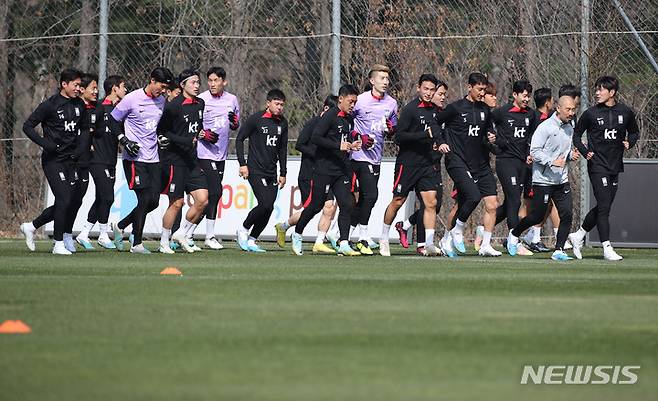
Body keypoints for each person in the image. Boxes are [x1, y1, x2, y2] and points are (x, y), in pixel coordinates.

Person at [569, 75, 639, 261]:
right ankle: (606, 247)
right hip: (597, 165)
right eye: (596, 89)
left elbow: (634, 132)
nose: (597, 92)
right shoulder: (591, 113)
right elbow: (576, 136)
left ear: (612, 93)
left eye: (601, 89)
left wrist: (629, 143)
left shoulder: (625, 112)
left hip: (615, 165)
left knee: (603, 206)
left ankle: (578, 235)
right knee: (605, 207)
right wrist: (585, 152)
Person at [108, 66, 174, 253]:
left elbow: (158, 127)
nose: (163, 90)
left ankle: (121, 225)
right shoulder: (132, 99)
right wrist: (124, 140)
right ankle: (136, 243)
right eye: (161, 86)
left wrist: (162, 137)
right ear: (152, 80)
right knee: (144, 198)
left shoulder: (161, 101)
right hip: (134, 159)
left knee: (153, 201)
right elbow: (112, 121)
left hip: (153, 159)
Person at [507, 93, 581, 261]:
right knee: (537, 216)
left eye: (573, 109)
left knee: (567, 214)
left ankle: (559, 250)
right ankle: (515, 233)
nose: (571, 113)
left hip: (561, 180)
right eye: (568, 109)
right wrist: (551, 162)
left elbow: (563, 152)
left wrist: (571, 155)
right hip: (543, 180)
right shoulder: (545, 127)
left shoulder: (570, 127)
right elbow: (534, 151)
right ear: (558, 108)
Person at [20, 68, 86, 255]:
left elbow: (84, 130)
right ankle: (58, 244)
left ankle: (31, 226)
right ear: (64, 84)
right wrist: (46, 144)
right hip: (53, 160)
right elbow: (27, 126)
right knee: (64, 199)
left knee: (69, 202)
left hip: (71, 160)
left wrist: (79, 150)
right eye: (75, 85)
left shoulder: (79, 105)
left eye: (80, 85)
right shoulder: (50, 105)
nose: (78, 88)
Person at [291, 84, 362, 256]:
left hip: (341, 169)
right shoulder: (330, 116)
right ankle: (297, 233)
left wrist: (352, 145)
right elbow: (316, 138)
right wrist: (338, 145)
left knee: (346, 204)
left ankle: (344, 242)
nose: (353, 105)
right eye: (351, 101)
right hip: (323, 169)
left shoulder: (349, 119)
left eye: (355, 102)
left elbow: (344, 140)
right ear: (341, 99)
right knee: (315, 206)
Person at [436, 72, 501, 257]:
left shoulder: (485, 111)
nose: (482, 93)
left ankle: (486, 245)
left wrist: (491, 137)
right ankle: (455, 231)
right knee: (472, 197)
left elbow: (488, 131)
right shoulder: (455, 108)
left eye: (484, 89)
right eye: (479, 89)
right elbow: (435, 122)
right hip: (458, 161)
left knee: (492, 204)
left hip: (481, 164)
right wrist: (440, 141)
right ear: (469, 87)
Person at [379, 74, 442, 257]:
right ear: (418, 88)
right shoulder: (410, 110)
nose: (429, 93)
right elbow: (399, 137)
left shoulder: (436, 111)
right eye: (426, 89)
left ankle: (429, 244)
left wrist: (439, 143)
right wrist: (424, 134)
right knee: (398, 200)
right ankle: (384, 238)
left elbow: (436, 133)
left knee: (431, 203)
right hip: (408, 164)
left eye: (432, 90)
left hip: (427, 164)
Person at [274, 95, 339, 254]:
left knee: (329, 207)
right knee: (311, 209)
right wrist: (318, 155)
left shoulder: (335, 126)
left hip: (325, 173)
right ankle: (284, 227)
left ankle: (319, 242)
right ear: (325, 109)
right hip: (309, 174)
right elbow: (299, 144)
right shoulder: (314, 124)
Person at [157, 69, 210, 254]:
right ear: (183, 85)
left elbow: (197, 128)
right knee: (177, 203)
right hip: (174, 160)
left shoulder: (200, 103)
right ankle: (164, 242)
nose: (197, 85)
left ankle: (181, 233)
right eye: (193, 82)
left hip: (191, 160)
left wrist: (202, 134)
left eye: (198, 82)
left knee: (203, 200)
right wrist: (185, 140)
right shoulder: (174, 106)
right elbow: (162, 131)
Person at [348, 64, 398, 255]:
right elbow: (346, 122)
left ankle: (342, 234)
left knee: (365, 200)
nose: (385, 82)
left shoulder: (391, 103)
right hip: (359, 156)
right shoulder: (360, 101)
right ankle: (363, 237)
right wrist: (358, 137)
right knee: (371, 195)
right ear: (372, 81)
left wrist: (391, 129)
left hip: (376, 157)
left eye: (387, 79)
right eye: (381, 78)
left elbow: (393, 126)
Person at [395, 79, 448, 255]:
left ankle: (408, 226)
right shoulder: (415, 111)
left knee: (433, 205)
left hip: (432, 163)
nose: (441, 97)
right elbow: (401, 136)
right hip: (415, 163)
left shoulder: (442, 114)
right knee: (428, 204)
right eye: (439, 93)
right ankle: (422, 244)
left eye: (442, 94)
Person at [75, 75, 127, 249]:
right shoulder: (98, 108)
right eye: (123, 86)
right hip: (96, 160)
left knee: (103, 199)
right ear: (114, 89)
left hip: (111, 160)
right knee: (108, 196)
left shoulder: (119, 111)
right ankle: (103, 235)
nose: (125, 90)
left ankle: (83, 234)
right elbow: (86, 129)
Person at [236, 89, 288, 252]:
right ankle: (243, 229)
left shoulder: (283, 123)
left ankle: (252, 240)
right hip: (255, 169)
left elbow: (282, 150)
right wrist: (242, 164)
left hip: (272, 172)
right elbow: (239, 139)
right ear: (268, 103)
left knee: (269, 207)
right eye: (276, 104)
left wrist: (283, 173)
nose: (279, 107)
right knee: (265, 204)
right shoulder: (256, 119)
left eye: (282, 105)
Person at [491, 80, 539, 256]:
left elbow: (534, 136)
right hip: (505, 161)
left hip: (522, 164)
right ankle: (514, 241)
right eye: (524, 95)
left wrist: (529, 152)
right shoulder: (502, 112)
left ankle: (484, 228)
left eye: (528, 96)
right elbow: (486, 126)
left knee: (509, 203)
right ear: (515, 95)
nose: (526, 99)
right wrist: (495, 144)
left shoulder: (531, 115)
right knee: (515, 200)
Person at [197, 66, 240, 250]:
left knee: (211, 197)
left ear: (224, 82)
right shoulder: (202, 100)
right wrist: (202, 135)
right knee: (215, 191)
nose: (213, 84)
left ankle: (193, 233)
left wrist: (235, 122)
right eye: (210, 80)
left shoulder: (232, 100)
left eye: (216, 80)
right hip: (203, 152)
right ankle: (207, 235)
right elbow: (193, 125)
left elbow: (235, 124)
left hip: (221, 154)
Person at [519, 87, 554, 252]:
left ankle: (531, 236)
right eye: (552, 100)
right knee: (530, 206)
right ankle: (520, 236)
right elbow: (528, 140)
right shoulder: (536, 119)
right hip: (533, 168)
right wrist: (529, 156)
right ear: (548, 102)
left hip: (546, 168)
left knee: (547, 205)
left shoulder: (551, 119)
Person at [71, 73, 99, 250]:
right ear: (82, 89)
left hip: (85, 162)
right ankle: (58, 236)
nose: (96, 91)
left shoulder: (94, 108)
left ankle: (66, 235)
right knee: (67, 200)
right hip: (70, 161)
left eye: (97, 88)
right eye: (93, 88)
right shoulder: (75, 108)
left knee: (77, 200)